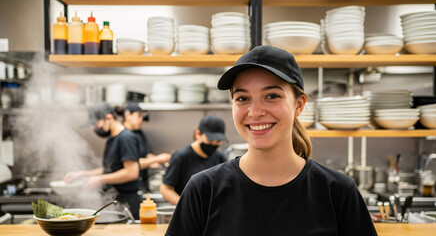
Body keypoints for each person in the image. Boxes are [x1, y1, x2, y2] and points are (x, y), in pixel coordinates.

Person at [166, 46, 378, 235]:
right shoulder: (203, 190)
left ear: (299, 105)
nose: (255, 112)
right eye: (242, 98)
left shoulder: (337, 192)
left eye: (272, 96)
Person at [64, 102, 142, 219]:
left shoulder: (126, 138)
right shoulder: (112, 139)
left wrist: (100, 180)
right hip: (114, 201)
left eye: (96, 123)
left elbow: (132, 173)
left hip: (127, 203)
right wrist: (80, 174)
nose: (95, 128)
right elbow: (108, 169)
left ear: (109, 118)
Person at [160, 115, 228, 205]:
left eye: (218, 141)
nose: (214, 144)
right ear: (198, 134)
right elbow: (165, 189)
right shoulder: (181, 157)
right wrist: (186, 206)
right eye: (210, 139)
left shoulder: (220, 158)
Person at [123, 102, 171, 192]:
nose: (141, 120)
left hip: (142, 184)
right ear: (127, 115)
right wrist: (157, 159)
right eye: (138, 116)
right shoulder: (125, 137)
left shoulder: (139, 133)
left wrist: (156, 160)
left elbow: (148, 154)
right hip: (129, 187)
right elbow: (133, 166)